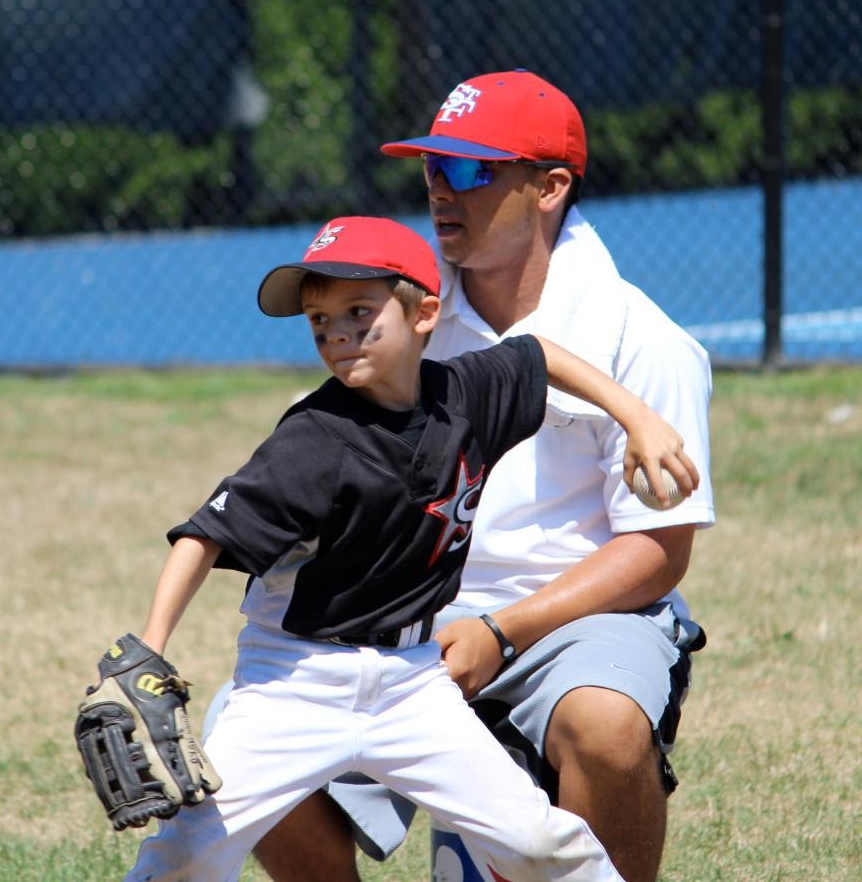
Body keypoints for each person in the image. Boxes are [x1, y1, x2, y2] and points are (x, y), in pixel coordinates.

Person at [125, 214, 700, 882]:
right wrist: (153, 645)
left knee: (542, 845)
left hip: (413, 683)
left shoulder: (466, 393)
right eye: (318, 323)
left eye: (359, 313)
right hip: (296, 683)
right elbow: (206, 533)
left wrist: (640, 417)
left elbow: (540, 354)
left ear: (426, 312)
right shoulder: (313, 437)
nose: (336, 335)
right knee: (185, 854)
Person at [245, 71, 717, 882]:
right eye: (432, 169)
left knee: (604, 725)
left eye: (471, 170)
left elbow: (659, 553)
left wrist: (501, 634)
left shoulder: (642, 339)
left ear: (551, 186)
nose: (441, 191)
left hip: (576, 622)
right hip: (409, 619)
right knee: (246, 750)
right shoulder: (404, 315)